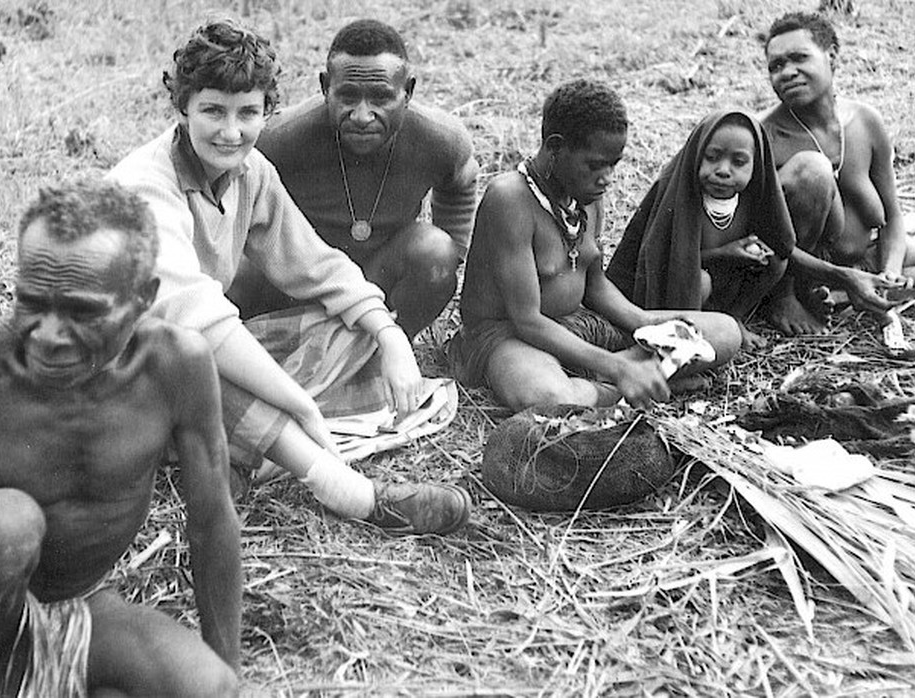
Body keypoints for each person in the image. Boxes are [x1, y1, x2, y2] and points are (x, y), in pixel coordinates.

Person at [107, 20, 469, 535]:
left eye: (247, 113)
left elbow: (316, 265)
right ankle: (355, 495)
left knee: (347, 330)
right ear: (182, 106)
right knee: (197, 358)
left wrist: (391, 335)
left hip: (192, 355)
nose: (231, 132)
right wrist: (295, 400)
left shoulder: (249, 170)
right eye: (212, 111)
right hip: (122, 371)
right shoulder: (146, 184)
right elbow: (195, 317)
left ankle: (222, 448)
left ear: (265, 112)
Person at [0, 182, 240, 697]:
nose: (48, 336)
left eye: (82, 312)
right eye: (31, 304)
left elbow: (212, 521)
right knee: (6, 523)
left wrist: (228, 662)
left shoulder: (175, 367)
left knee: (208, 687)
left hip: (75, 606)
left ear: (143, 298)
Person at [447, 80, 742, 412]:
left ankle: (612, 383)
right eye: (595, 165)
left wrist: (644, 323)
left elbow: (596, 286)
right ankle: (632, 382)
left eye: (613, 165)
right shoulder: (510, 199)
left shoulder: (585, 197)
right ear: (555, 148)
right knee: (547, 397)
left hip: (579, 324)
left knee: (724, 332)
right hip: (509, 338)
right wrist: (618, 366)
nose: (607, 177)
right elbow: (527, 320)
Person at [245, 18, 479, 338]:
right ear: (326, 87)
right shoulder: (280, 139)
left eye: (381, 98)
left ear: (407, 92)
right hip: (299, 276)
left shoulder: (439, 139)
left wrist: (456, 251)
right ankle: (270, 341)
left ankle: (386, 345)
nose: (362, 116)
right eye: (348, 96)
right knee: (236, 273)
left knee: (436, 253)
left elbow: (461, 184)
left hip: (378, 273)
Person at [758, 11, 915, 336]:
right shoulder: (765, 136)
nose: (787, 72)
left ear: (831, 56)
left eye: (799, 57)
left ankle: (853, 294)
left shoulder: (865, 121)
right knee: (813, 170)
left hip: (863, 260)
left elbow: (893, 217)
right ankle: (787, 298)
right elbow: (763, 238)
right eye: (776, 66)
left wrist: (889, 273)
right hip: (800, 270)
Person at [606, 110, 796, 349]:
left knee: (776, 260)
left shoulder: (752, 197)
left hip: (721, 286)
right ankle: (684, 345)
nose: (723, 170)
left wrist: (837, 274)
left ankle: (732, 318)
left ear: (756, 165)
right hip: (672, 290)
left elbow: (784, 247)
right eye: (712, 157)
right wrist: (722, 254)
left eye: (738, 162)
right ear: (696, 155)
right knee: (700, 280)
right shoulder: (677, 192)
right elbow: (660, 261)